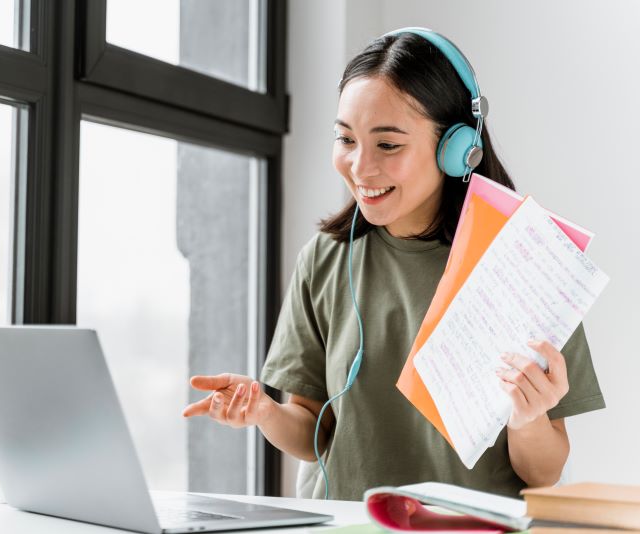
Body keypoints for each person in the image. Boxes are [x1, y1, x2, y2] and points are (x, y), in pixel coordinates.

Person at [181, 29, 605, 500]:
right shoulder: (325, 258)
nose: (360, 167)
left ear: (457, 147)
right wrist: (264, 412)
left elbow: (542, 474)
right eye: (345, 139)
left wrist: (528, 418)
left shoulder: (526, 264)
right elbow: (314, 434)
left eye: (387, 145)